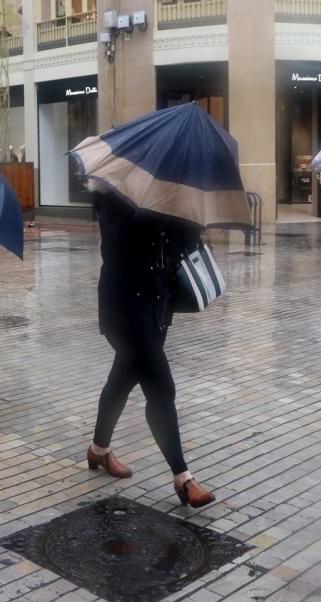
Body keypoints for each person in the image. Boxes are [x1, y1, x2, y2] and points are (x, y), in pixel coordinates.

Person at [86, 187, 216, 509]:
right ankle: (182, 478)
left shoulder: (166, 198)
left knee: (121, 379)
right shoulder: (112, 198)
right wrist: (156, 211)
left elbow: (179, 249)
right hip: (125, 311)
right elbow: (121, 247)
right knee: (161, 388)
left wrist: (188, 219)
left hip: (158, 308)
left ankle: (98, 450)